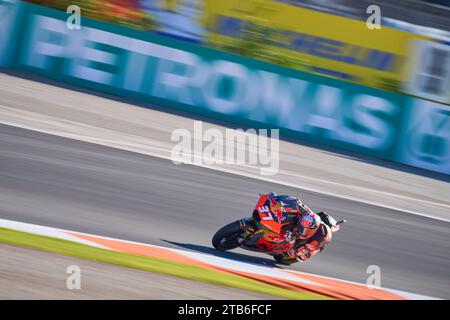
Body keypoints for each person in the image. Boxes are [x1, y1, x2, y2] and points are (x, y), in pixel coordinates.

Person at [252, 193, 333, 265]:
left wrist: (293, 243)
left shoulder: (319, 237)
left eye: (306, 230)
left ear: (312, 229)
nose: (303, 231)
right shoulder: (305, 212)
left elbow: (303, 252)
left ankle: (285, 250)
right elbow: (296, 202)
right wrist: (275, 201)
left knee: (301, 255)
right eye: (302, 228)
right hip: (310, 221)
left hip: (315, 242)